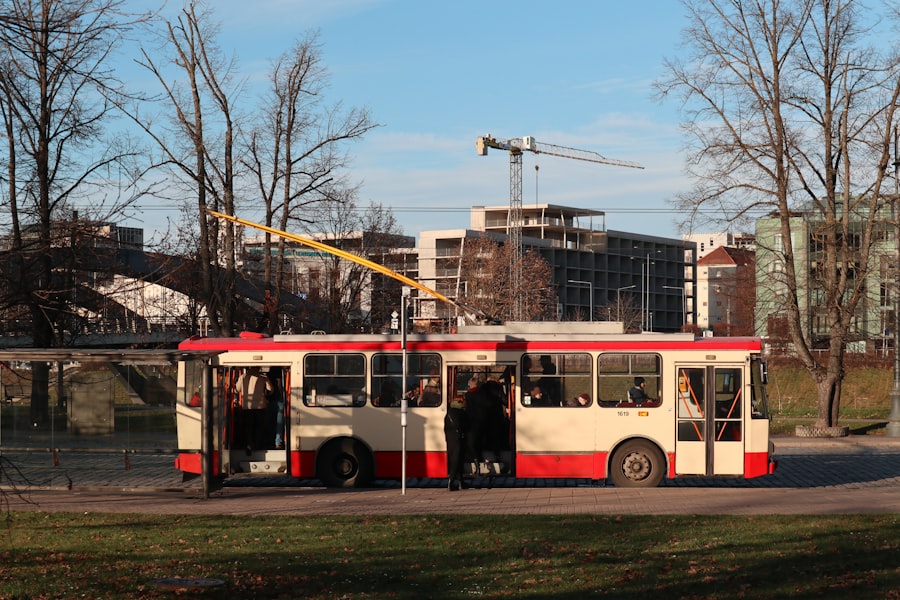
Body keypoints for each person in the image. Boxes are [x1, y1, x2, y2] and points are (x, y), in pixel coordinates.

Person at [237, 367, 272, 454]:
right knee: (259, 427)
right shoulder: (263, 377)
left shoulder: (243, 377)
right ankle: (258, 445)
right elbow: (271, 390)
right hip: (260, 406)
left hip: (247, 406)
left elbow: (237, 389)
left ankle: (249, 445)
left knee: (248, 427)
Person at [444, 396, 469, 491]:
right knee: (456, 460)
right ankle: (451, 482)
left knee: (457, 460)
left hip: (451, 439)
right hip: (457, 439)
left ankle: (460, 482)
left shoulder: (451, 412)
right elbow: (462, 425)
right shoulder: (459, 412)